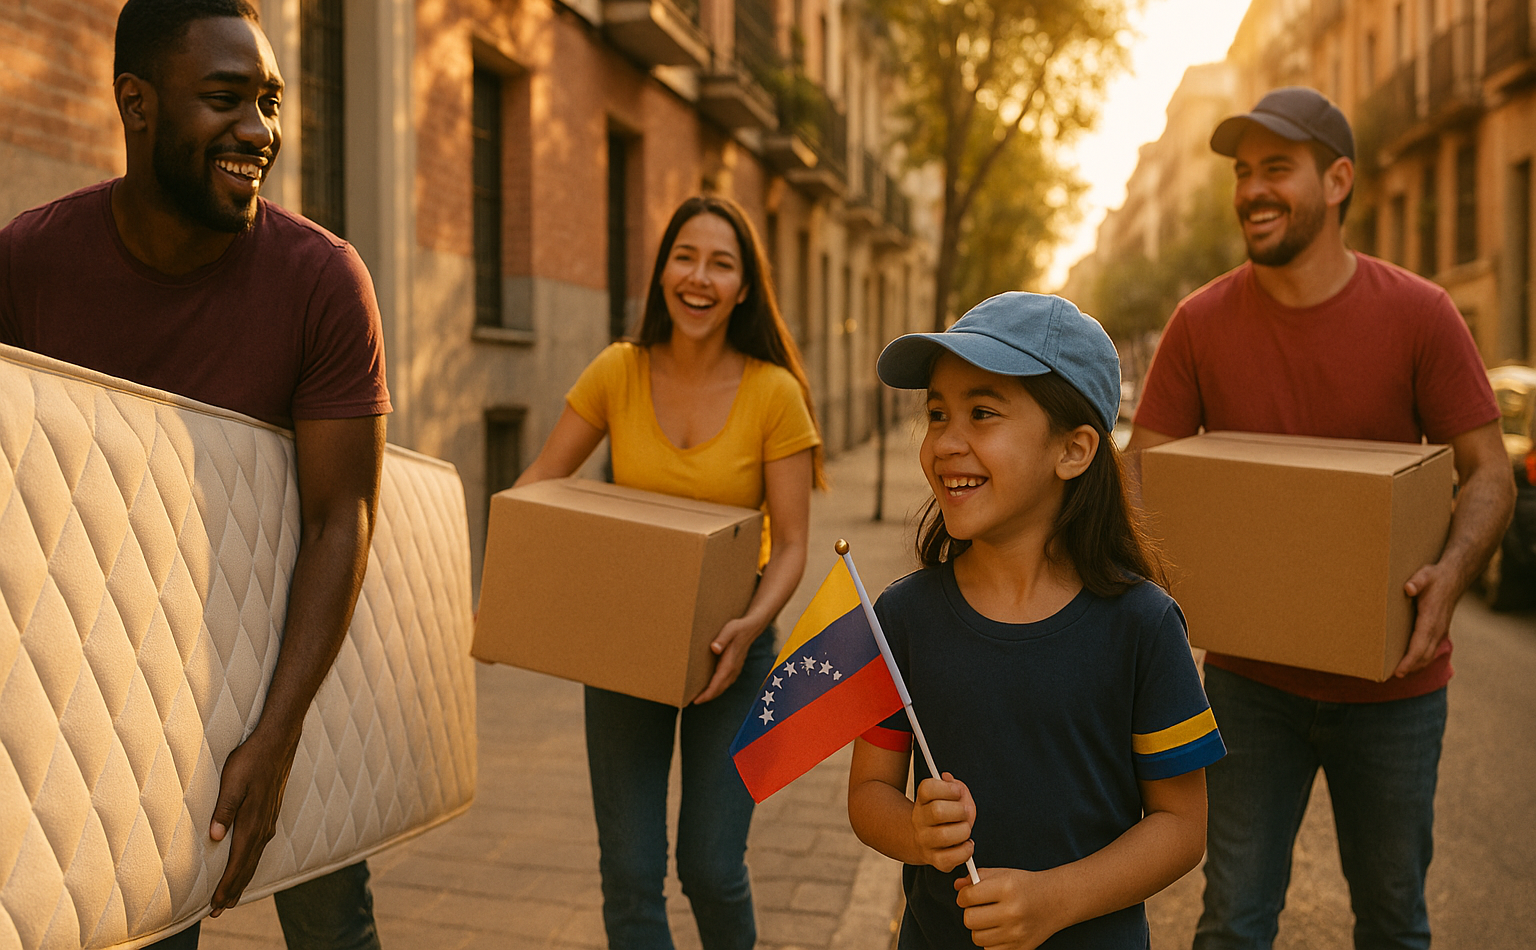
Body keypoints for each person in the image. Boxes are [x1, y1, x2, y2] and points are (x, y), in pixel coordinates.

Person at [0, 0, 392, 950]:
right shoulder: (31, 262)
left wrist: (278, 735)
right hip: (113, 698)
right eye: (227, 98)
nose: (260, 128)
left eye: (269, 103)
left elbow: (342, 516)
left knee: (333, 927)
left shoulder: (322, 281)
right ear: (137, 103)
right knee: (139, 931)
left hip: (292, 670)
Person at [1126, 87, 1516, 950]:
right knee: (1231, 922)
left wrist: (1450, 577)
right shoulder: (1199, 323)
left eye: (1277, 169)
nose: (1252, 191)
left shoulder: (1420, 313)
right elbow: (1141, 475)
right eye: (1242, 173)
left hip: (1396, 687)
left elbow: (1490, 473)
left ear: (1337, 180)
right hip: (1246, 683)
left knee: (1391, 921)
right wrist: (1154, 599)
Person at [847, 292, 1227, 950]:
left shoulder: (1145, 625)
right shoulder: (900, 616)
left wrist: (1056, 900)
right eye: (937, 414)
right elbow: (868, 794)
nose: (946, 442)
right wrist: (914, 831)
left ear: (1074, 450)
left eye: (982, 412)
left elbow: (1181, 828)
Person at [514, 195, 823, 950]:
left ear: (744, 288)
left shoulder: (774, 393)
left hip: (735, 649)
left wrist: (753, 625)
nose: (699, 277)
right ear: (661, 273)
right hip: (626, 645)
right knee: (629, 873)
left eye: (722, 264)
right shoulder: (619, 371)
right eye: (685, 257)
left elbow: (790, 545)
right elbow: (539, 485)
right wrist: (509, 588)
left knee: (711, 867)